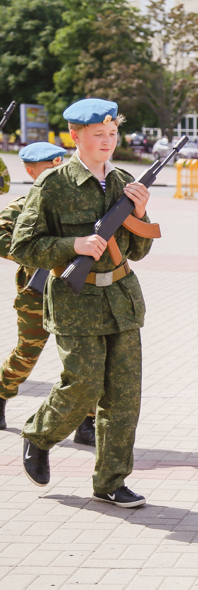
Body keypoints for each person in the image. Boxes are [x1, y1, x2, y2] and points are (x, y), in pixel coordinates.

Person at [12, 99, 157, 508]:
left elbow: (138, 250)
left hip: (121, 300)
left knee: (124, 396)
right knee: (83, 385)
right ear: (75, 136)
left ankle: (111, 481)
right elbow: (23, 244)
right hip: (75, 302)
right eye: (98, 135)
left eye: (113, 133)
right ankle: (39, 434)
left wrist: (140, 212)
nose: (108, 141)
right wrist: (71, 245)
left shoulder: (124, 181)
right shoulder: (52, 184)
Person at [0, 143, 97, 445]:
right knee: (27, 353)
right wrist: (38, 253)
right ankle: (1, 395)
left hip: (77, 292)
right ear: (31, 171)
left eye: (60, 163)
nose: (57, 169)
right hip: (37, 294)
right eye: (49, 166)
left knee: (87, 361)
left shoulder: (78, 202)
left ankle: (87, 422)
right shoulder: (22, 205)